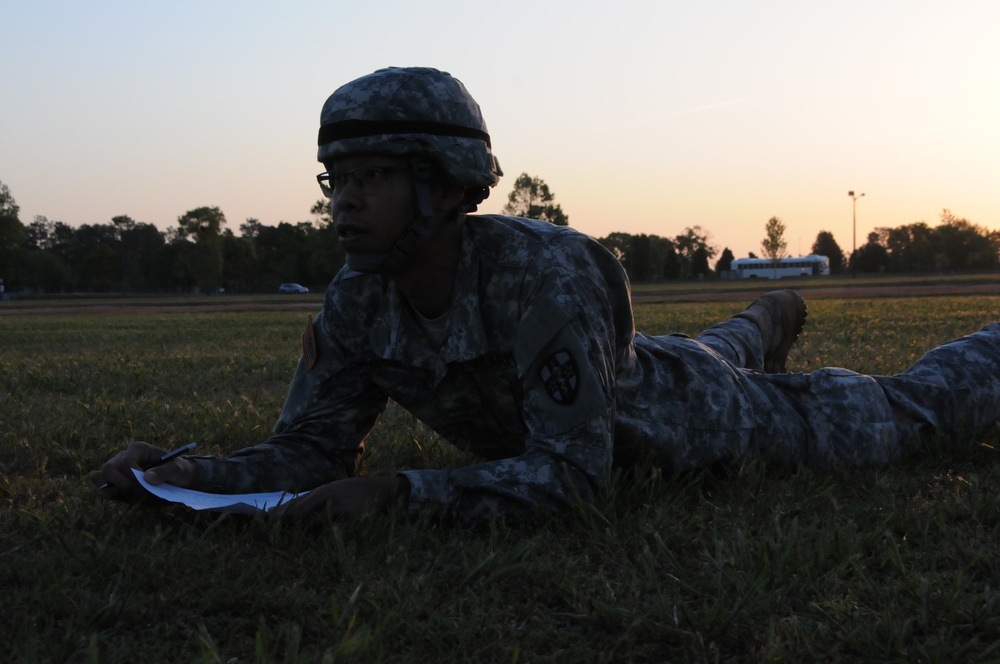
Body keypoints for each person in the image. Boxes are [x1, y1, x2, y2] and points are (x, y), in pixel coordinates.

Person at [92, 67, 1000, 523]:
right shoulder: (357, 298)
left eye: (373, 176)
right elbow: (311, 450)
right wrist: (182, 476)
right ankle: (763, 319)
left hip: (711, 419)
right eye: (337, 178)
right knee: (699, 349)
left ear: (448, 185)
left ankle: (768, 327)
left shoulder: (544, 273)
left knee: (915, 411)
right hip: (643, 374)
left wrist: (402, 496)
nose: (346, 201)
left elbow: (574, 478)